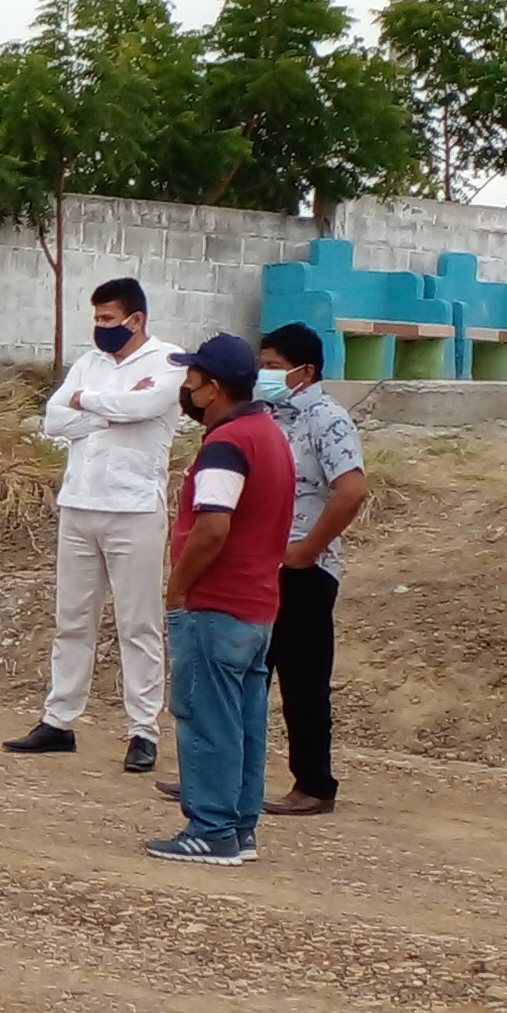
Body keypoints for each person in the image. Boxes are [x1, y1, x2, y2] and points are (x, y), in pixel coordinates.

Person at [3, 279, 182, 773]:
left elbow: (145, 408)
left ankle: (143, 730)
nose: (100, 328)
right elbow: (53, 420)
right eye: (97, 318)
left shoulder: (168, 361)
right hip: (79, 503)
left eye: (108, 319)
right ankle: (59, 720)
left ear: (136, 319)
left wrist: (87, 402)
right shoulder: (89, 363)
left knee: (137, 623)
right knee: (73, 618)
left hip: (134, 508)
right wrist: (106, 412)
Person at [147, 334, 297, 868]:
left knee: (207, 718)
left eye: (192, 380)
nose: (186, 389)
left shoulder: (226, 444)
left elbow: (213, 526)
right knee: (244, 723)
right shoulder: (270, 435)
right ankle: (238, 827)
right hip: (258, 605)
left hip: (217, 603)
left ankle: (210, 828)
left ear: (213, 388)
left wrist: (178, 587)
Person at [258, 324, 368, 816]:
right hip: (258, 563)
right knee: (244, 673)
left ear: (305, 371)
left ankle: (314, 784)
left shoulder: (327, 419)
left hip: (304, 568)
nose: (264, 375)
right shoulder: (265, 415)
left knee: (302, 680)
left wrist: (308, 549)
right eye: (261, 365)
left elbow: (352, 489)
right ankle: (225, 773)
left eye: (273, 367)